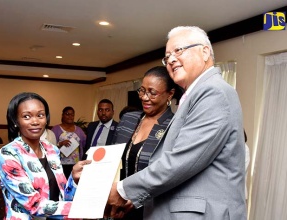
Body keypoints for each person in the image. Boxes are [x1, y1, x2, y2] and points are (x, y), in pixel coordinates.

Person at [107, 26, 246, 220]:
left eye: (178, 50)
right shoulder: (194, 95)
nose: (171, 59)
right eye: (167, 56)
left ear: (205, 52)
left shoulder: (213, 92)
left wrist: (122, 190)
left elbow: (182, 161)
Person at [0, 92, 90, 219]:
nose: (35, 121)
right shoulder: (9, 154)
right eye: (27, 116)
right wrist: (86, 208)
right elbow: (34, 205)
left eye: (40, 115)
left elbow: (62, 195)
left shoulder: (52, 149)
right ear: (16, 121)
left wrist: (73, 178)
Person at [112, 66, 179, 220]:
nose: (144, 97)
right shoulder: (128, 119)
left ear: (170, 94)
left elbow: (169, 174)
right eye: (142, 90)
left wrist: (136, 198)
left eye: (152, 93)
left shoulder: (174, 126)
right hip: (118, 206)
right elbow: (112, 160)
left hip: (153, 208)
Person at [51, 106, 86, 179]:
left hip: (76, 164)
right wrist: (60, 144)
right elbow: (49, 146)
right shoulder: (55, 129)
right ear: (62, 115)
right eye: (67, 114)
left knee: (74, 184)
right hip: (60, 164)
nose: (70, 116)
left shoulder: (79, 130)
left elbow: (84, 144)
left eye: (72, 114)